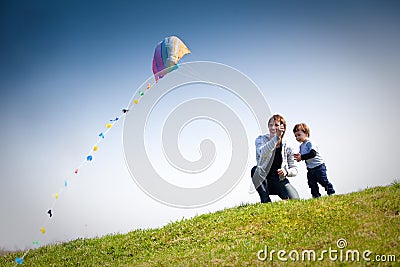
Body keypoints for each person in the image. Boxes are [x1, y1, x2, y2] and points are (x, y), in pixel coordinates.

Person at [251, 114, 299, 203]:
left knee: (295, 200)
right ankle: (265, 201)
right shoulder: (260, 139)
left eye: (276, 125)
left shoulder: (288, 146)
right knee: (255, 170)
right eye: (270, 125)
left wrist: (286, 172)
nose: (273, 128)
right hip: (264, 180)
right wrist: (276, 138)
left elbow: (294, 169)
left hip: (279, 180)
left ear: (283, 128)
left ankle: (284, 197)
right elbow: (262, 153)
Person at [293, 123, 335, 198]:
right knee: (311, 183)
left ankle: (331, 192)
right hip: (310, 168)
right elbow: (303, 156)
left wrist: (302, 157)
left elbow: (313, 154)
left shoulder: (310, 143)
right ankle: (316, 196)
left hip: (319, 166)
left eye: (299, 135)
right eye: (295, 136)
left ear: (306, 133)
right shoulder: (301, 146)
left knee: (323, 180)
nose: (297, 137)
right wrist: (298, 157)